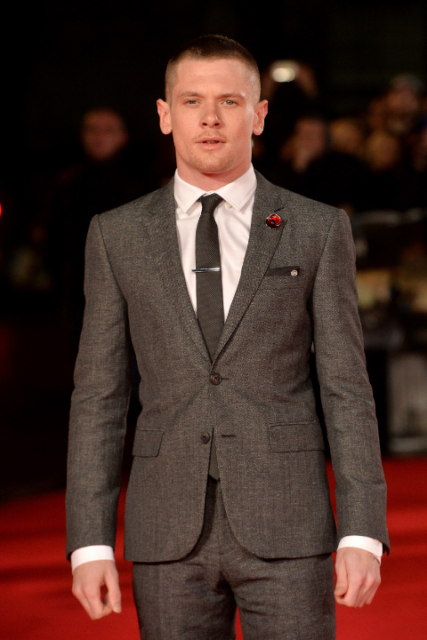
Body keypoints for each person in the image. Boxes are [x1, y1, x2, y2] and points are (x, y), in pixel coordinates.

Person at [66, 35, 389, 640]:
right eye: (191, 101)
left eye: (229, 102)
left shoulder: (317, 229)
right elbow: (99, 396)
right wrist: (88, 543)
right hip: (166, 531)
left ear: (259, 113)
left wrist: (363, 530)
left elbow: (347, 387)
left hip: (290, 524)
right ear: (164, 115)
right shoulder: (116, 236)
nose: (210, 118)